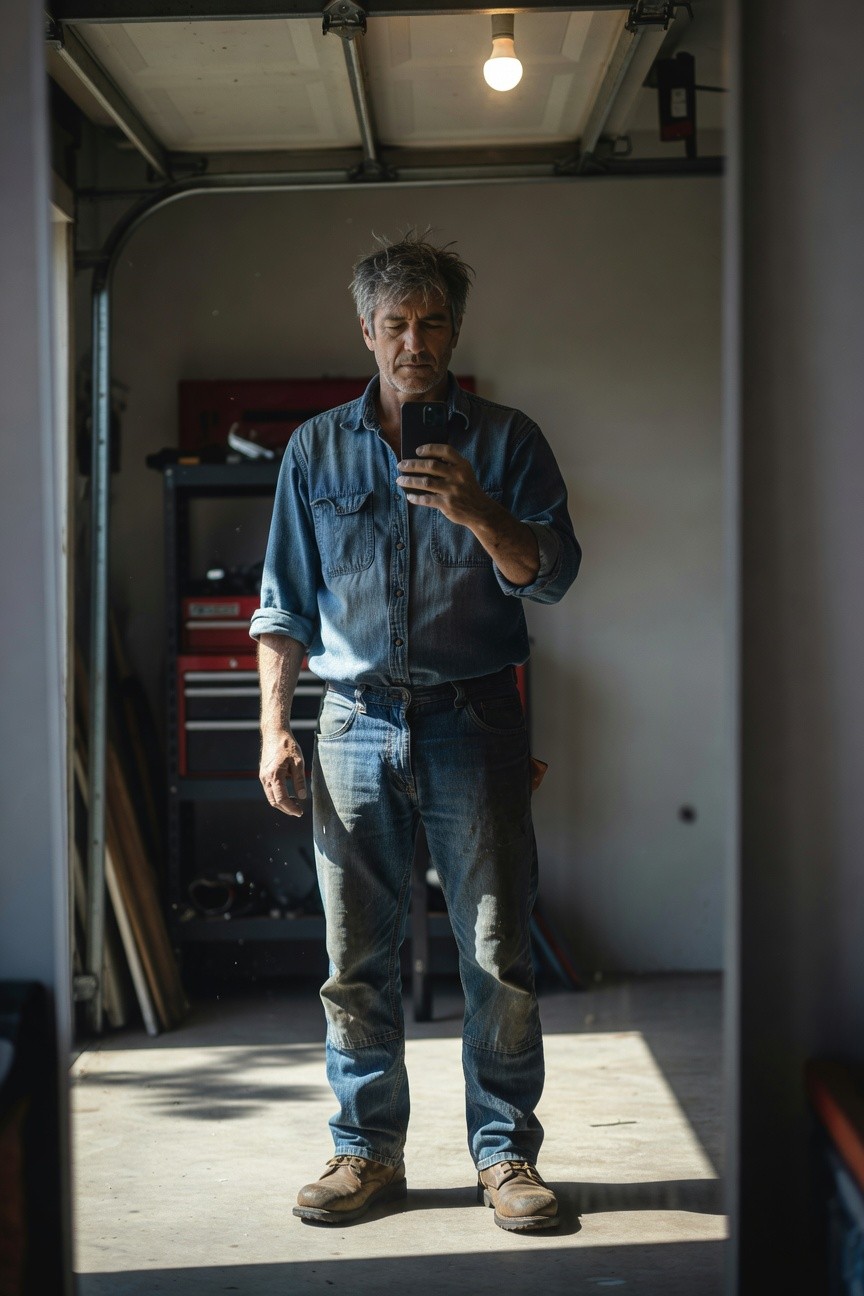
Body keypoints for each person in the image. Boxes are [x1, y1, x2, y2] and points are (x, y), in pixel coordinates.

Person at [250, 231, 580, 1232]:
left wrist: (479, 513)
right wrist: (275, 731)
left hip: (470, 719)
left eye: (432, 321)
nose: (414, 341)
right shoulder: (314, 450)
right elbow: (282, 606)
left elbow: (553, 574)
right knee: (356, 958)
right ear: (366, 331)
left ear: (455, 329)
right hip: (349, 725)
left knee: (496, 953)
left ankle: (505, 1156)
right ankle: (365, 1151)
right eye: (394, 323)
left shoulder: (509, 440)